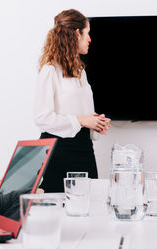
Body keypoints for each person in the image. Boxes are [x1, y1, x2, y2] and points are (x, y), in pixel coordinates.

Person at [34, 9, 111, 193]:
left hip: (84, 149)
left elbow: (81, 114)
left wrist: (95, 123)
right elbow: (42, 118)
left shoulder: (80, 72)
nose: (90, 39)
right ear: (77, 34)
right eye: (87, 33)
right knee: (57, 212)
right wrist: (83, 120)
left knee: (89, 207)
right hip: (58, 152)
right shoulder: (50, 70)